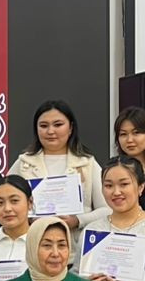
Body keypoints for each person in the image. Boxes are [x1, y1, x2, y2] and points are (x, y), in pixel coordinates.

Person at [9, 99, 108, 238]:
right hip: (33, 242)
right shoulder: (23, 163)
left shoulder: (87, 163)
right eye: (43, 126)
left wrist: (78, 220)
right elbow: (6, 202)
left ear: (71, 128)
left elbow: (107, 209)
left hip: (76, 243)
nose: (50, 131)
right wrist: (30, 219)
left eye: (58, 125)